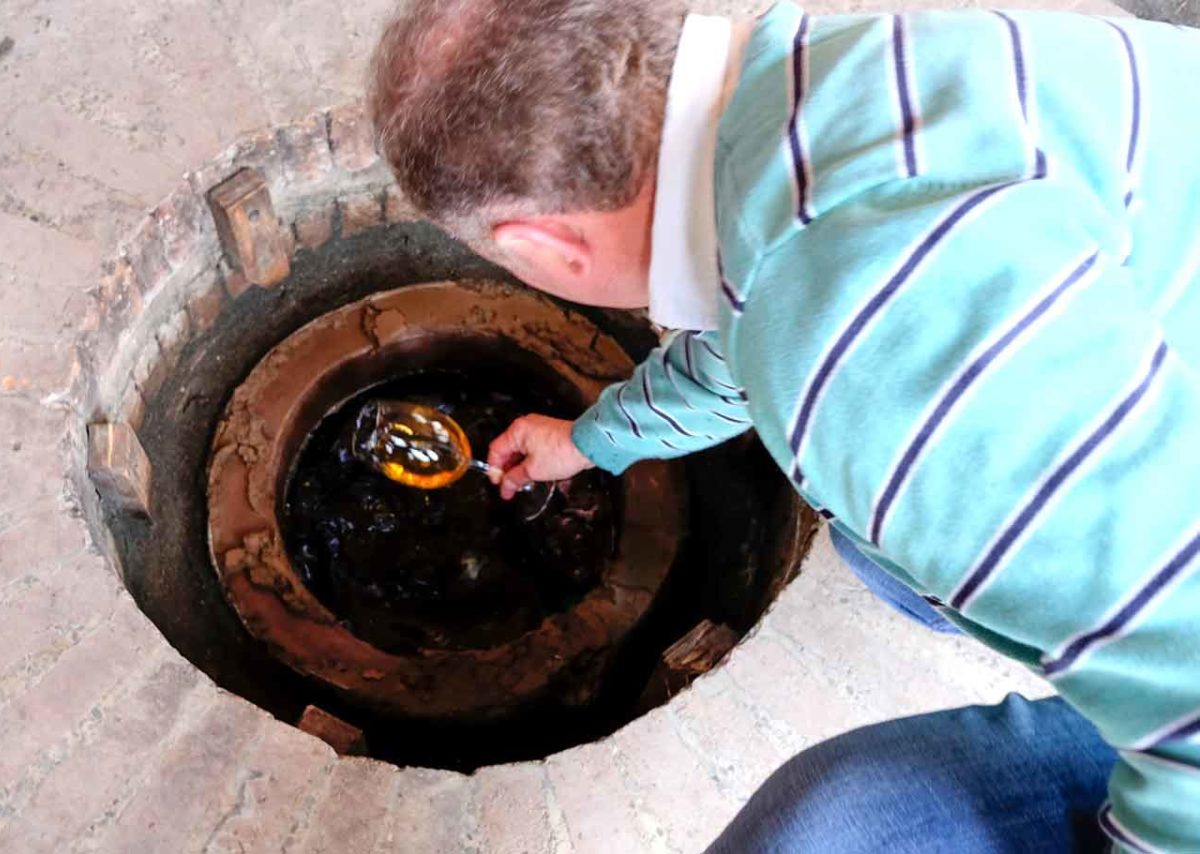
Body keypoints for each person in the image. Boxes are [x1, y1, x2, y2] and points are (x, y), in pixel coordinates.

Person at [369, 1, 1200, 850]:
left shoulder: (879, 360)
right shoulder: (812, 85)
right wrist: (590, 441)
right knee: (883, 563)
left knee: (808, 835)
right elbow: (756, 321)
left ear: (542, 249)